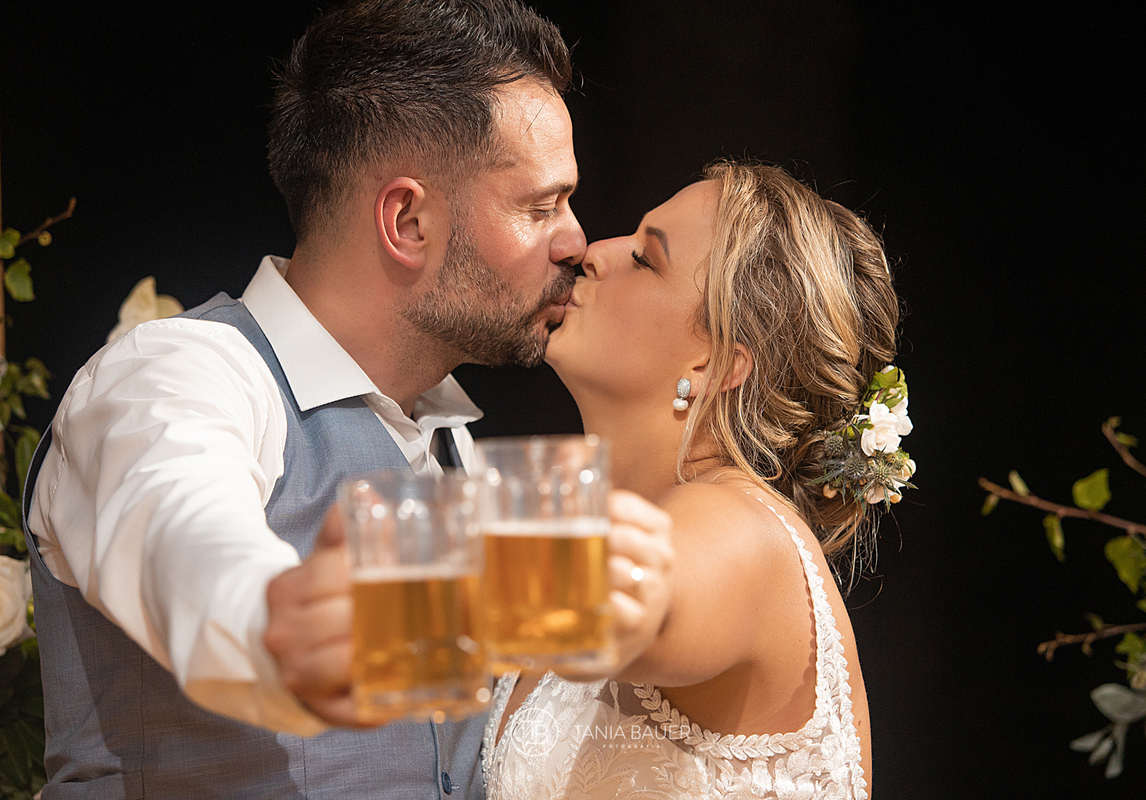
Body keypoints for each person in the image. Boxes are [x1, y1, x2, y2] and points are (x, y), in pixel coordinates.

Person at [20, 1, 668, 797]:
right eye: (539, 207)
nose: (576, 241)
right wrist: (280, 619)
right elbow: (180, 533)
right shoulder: (179, 375)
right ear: (406, 219)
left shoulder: (454, 443)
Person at [481, 161, 907, 798]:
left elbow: (642, 602)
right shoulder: (608, 529)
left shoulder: (744, 530)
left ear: (716, 362)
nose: (593, 253)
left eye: (646, 258)